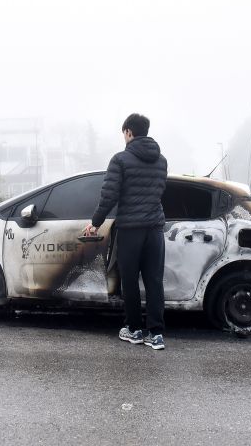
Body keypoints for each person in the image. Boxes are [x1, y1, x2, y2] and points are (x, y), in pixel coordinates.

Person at [85, 113, 168, 350]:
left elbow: (109, 196)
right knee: (154, 281)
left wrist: (95, 222)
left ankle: (134, 329)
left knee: (129, 281)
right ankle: (156, 334)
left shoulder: (120, 159)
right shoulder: (161, 160)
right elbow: (159, 191)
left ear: (128, 132)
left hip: (131, 230)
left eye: (124, 133)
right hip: (155, 229)